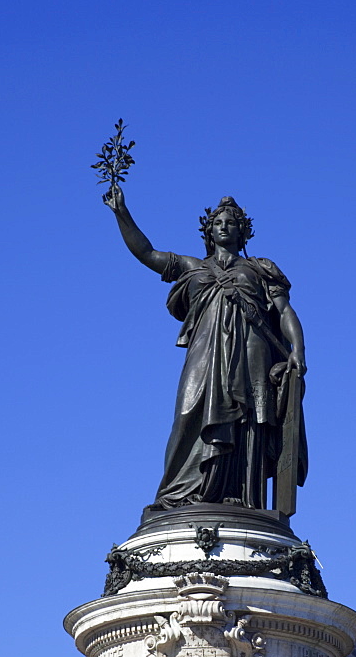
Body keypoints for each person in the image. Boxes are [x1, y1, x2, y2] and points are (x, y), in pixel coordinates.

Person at [104, 186, 308, 509]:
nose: (224, 225)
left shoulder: (260, 269)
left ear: (242, 231)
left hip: (250, 356)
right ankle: (178, 493)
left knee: (246, 424)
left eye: (231, 222)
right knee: (187, 417)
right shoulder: (194, 267)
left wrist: (298, 348)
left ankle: (240, 496)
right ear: (209, 231)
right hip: (204, 355)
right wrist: (122, 213)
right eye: (218, 222)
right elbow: (149, 254)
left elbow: (284, 311)